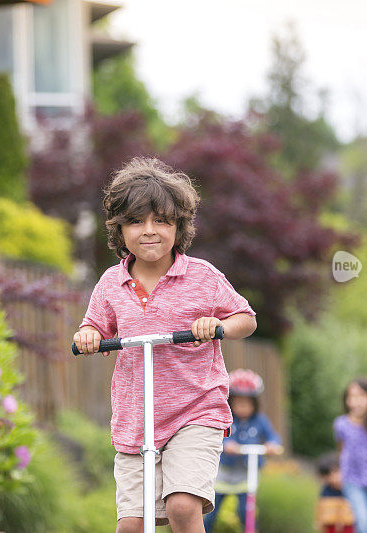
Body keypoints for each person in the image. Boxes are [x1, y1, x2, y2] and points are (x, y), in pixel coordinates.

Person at [72, 157, 257, 533]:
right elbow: (92, 327)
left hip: (195, 411)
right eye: (136, 221)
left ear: (179, 226)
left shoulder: (202, 277)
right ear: (119, 230)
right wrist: (87, 335)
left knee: (182, 507)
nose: (149, 230)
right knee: (132, 525)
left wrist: (217, 325)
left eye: (161, 221)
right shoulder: (111, 283)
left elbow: (246, 319)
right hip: (135, 420)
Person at [203, 369, 282, 532]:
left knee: (246, 513)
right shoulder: (226, 418)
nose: (243, 407)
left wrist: (272, 445)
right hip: (223, 475)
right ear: (231, 402)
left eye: (247, 403)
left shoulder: (260, 421)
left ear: (255, 404)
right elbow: (216, 436)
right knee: (211, 513)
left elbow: (273, 437)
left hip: (247, 475)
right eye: (239, 403)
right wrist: (227, 445)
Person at [333, 378, 367, 533]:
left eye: (360, 396)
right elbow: (341, 450)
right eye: (351, 396)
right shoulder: (341, 424)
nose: (355, 401)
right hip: (352, 479)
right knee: (362, 519)